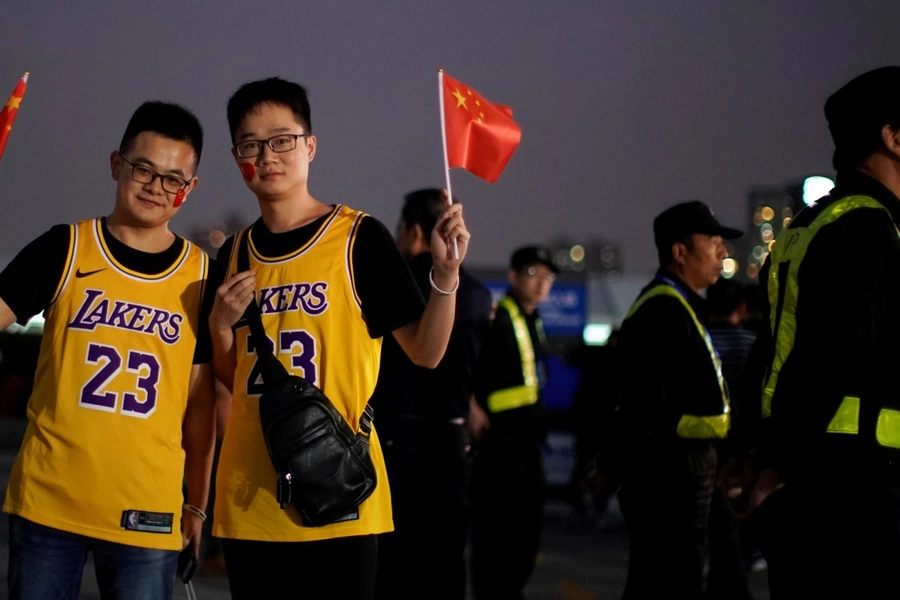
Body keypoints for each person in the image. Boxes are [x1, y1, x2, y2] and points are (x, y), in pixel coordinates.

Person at [208, 77, 469, 600]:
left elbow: (426, 350)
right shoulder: (232, 254)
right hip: (249, 500)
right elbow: (226, 379)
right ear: (236, 156)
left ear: (310, 145)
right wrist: (218, 325)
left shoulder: (357, 237)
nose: (267, 155)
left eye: (281, 139)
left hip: (338, 493)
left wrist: (446, 275)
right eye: (250, 144)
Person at [0, 101, 216, 599]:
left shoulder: (202, 275)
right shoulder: (66, 247)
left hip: (148, 509)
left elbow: (200, 402)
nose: (155, 187)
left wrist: (197, 505)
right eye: (144, 169)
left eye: (172, 178)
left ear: (190, 189)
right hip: (50, 499)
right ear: (117, 164)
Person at [719, 66, 900, 598]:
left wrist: (755, 454)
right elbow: (833, 355)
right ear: (894, 138)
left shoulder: (806, 225)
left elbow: (773, 352)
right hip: (855, 487)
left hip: (807, 480)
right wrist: (779, 464)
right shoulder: (872, 227)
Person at [594, 201, 741, 599]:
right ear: (680, 252)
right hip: (670, 477)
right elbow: (641, 406)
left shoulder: (680, 305)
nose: (723, 253)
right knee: (669, 581)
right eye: (713, 243)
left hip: (685, 469)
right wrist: (612, 466)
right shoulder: (662, 309)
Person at [373, 188, 493, 600]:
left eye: (402, 229)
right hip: (451, 440)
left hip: (396, 439)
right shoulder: (478, 295)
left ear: (416, 231)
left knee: (393, 559)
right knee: (446, 557)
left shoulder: (395, 284)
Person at [470, 245, 556, 600]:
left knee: (525, 533)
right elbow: (467, 363)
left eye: (548, 277)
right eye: (533, 274)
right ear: (514, 277)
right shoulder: (498, 317)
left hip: (526, 445)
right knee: (496, 534)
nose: (542, 284)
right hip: (499, 445)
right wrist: (471, 404)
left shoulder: (532, 321)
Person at [704, 278, 757, 600]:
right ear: (741, 309)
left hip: (706, 444)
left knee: (710, 523)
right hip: (742, 446)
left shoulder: (702, 342)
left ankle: (719, 583)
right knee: (737, 522)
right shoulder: (752, 342)